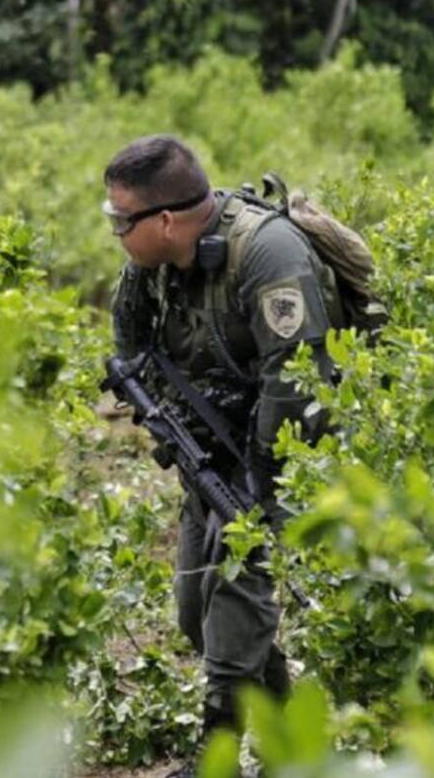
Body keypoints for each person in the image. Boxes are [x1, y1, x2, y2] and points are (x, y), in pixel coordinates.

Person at [103, 135, 340, 777]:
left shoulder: (268, 252)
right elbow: (128, 345)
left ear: (167, 220)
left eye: (121, 220)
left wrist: (258, 489)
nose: (115, 231)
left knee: (236, 608)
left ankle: (215, 761)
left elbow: (297, 379)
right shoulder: (150, 265)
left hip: (285, 447)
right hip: (209, 452)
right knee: (195, 616)